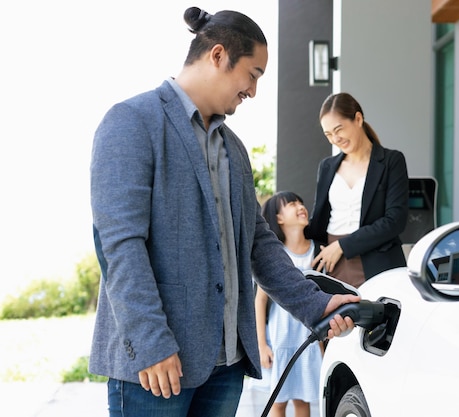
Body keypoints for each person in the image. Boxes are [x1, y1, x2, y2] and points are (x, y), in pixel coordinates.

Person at [89, 7, 358, 417]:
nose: (253, 90)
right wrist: (151, 344)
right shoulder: (131, 122)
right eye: (253, 74)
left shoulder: (233, 149)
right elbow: (119, 247)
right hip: (158, 368)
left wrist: (315, 305)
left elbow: (259, 245)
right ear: (218, 55)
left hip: (226, 367)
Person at [306, 92, 409, 288]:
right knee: (339, 318)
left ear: (358, 119)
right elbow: (319, 220)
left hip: (378, 261)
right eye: (328, 134)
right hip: (333, 262)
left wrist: (343, 246)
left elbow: (395, 220)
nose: (335, 139)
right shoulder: (327, 167)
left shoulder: (391, 161)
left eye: (339, 130)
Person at [254, 191, 324, 417]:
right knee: (278, 401)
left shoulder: (319, 252)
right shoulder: (276, 255)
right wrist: (262, 345)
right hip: (280, 339)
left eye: (301, 201)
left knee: (303, 400)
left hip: (308, 340)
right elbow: (260, 301)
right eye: (292, 204)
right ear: (279, 218)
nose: (300, 206)